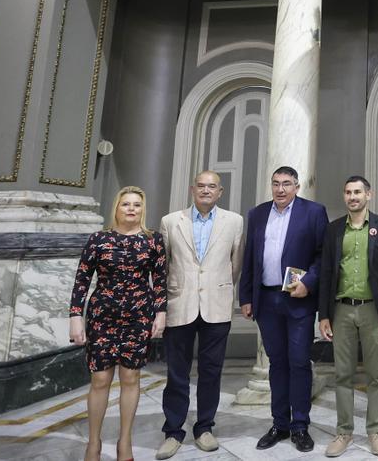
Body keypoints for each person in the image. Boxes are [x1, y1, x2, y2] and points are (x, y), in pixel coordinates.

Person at [69, 186, 167, 461]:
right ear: (117, 208)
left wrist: (160, 314)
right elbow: (81, 281)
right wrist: (76, 316)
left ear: (142, 210)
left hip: (138, 317)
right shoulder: (98, 239)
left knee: (130, 377)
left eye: (137, 204)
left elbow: (159, 283)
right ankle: (93, 444)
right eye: (126, 204)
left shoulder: (153, 241)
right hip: (102, 316)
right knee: (100, 379)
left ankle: (125, 442)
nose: (132, 209)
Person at [238, 166, 329, 452]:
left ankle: (300, 425)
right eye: (276, 184)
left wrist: (309, 284)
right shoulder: (257, 214)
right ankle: (280, 424)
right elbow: (250, 258)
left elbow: (322, 255)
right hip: (266, 300)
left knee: (299, 362)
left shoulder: (313, 212)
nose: (280, 189)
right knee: (276, 364)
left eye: (286, 184)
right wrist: (246, 297)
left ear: (297, 187)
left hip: (298, 299)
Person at [155, 171, 245, 459]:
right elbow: (164, 264)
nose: (206, 190)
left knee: (211, 372)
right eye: (201, 186)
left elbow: (235, 264)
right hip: (180, 303)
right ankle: (173, 430)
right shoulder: (171, 221)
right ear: (193, 189)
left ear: (220, 191)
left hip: (216, 307)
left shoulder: (234, 221)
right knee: (176, 372)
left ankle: (204, 426)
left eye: (212, 187)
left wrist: (216, 286)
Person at [318, 175, 378, 457]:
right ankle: (344, 432)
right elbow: (327, 273)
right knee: (343, 374)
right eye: (348, 192)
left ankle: (375, 431)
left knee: (376, 374)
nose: (353, 197)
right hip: (341, 309)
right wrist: (323, 315)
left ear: (369, 195)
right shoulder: (333, 230)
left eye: (358, 192)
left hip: (372, 311)